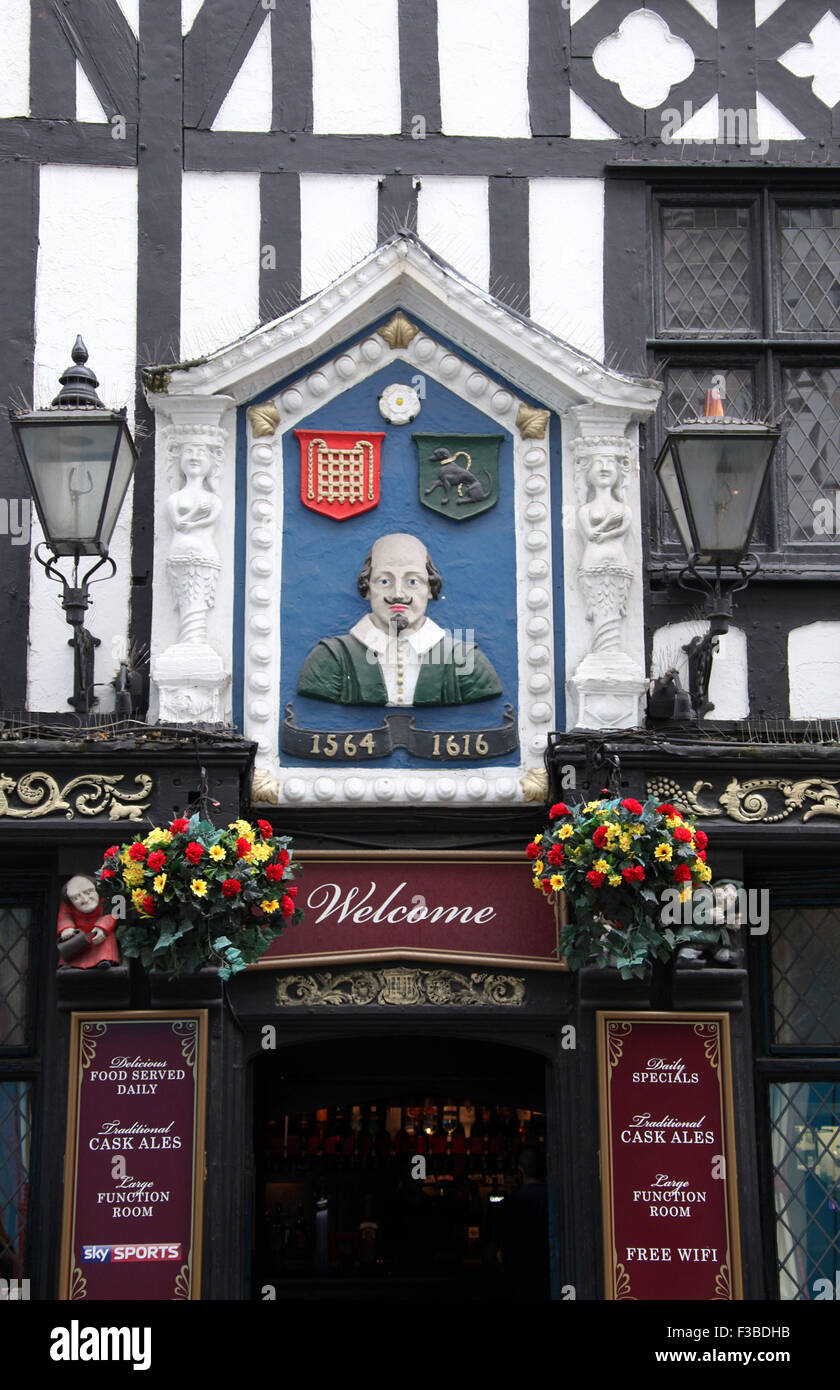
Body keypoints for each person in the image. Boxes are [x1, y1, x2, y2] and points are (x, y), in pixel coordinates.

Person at [296, 532, 502, 706]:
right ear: (367, 588)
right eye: (384, 581)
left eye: (413, 581)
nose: (398, 594)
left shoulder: (467, 661)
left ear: (430, 589)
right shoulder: (330, 659)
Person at [494, 1146, 550, 1299]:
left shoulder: (509, 1204)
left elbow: (501, 1253)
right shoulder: (556, 1199)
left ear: (520, 1172)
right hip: (550, 1280)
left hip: (521, 1283)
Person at [56, 874, 119, 969]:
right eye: (76, 898)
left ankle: (104, 959)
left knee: (106, 940)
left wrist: (102, 927)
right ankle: (68, 964)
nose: (85, 900)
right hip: (79, 935)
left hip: (98, 933)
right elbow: (64, 917)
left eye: (88, 893)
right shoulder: (67, 905)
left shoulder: (105, 900)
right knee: (70, 944)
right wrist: (66, 928)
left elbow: (110, 914)